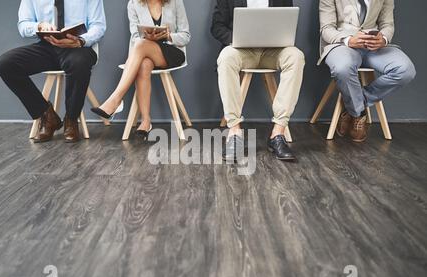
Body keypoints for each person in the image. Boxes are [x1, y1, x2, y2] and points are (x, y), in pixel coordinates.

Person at [0, 0, 106, 143]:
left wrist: (81, 41)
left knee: (78, 62)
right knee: (5, 64)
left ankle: (71, 119)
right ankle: (47, 116)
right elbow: (23, 25)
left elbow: (98, 26)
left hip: (78, 46)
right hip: (47, 46)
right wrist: (39, 26)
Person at [211, 0, 305, 162]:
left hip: (273, 51)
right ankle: (234, 133)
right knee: (226, 57)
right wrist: (237, 41)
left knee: (296, 56)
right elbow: (217, 27)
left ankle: (278, 134)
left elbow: (289, 23)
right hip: (242, 51)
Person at [91, 0, 190, 139]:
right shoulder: (133, 4)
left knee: (141, 45)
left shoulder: (175, 2)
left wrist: (167, 36)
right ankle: (145, 121)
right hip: (145, 51)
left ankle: (116, 100)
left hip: (172, 52)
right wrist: (149, 38)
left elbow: (186, 36)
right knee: (143, 63)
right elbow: (135, 37)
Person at [319, 0, 416, 142]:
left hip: (374, 46)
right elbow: (326, 29)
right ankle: (358, 113)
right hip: (342, 44)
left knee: (405, 70)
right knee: (342, 68)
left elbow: (387, 25)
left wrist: (383, 39)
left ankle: (356, 104)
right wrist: (348, 40)